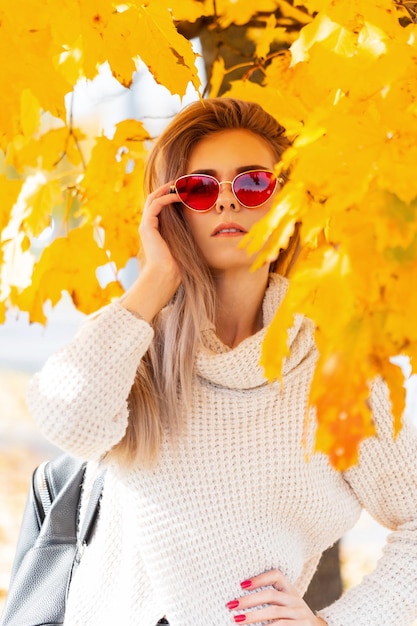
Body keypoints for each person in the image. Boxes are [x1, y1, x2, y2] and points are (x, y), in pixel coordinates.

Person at [27, 97, 417, 626]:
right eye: (200, 188)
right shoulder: (135, 342)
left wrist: (334, 624)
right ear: (173, 208)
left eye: (253, 183)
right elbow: (65, 420)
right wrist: (157, 279)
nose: (227, 203)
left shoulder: (336, 369)